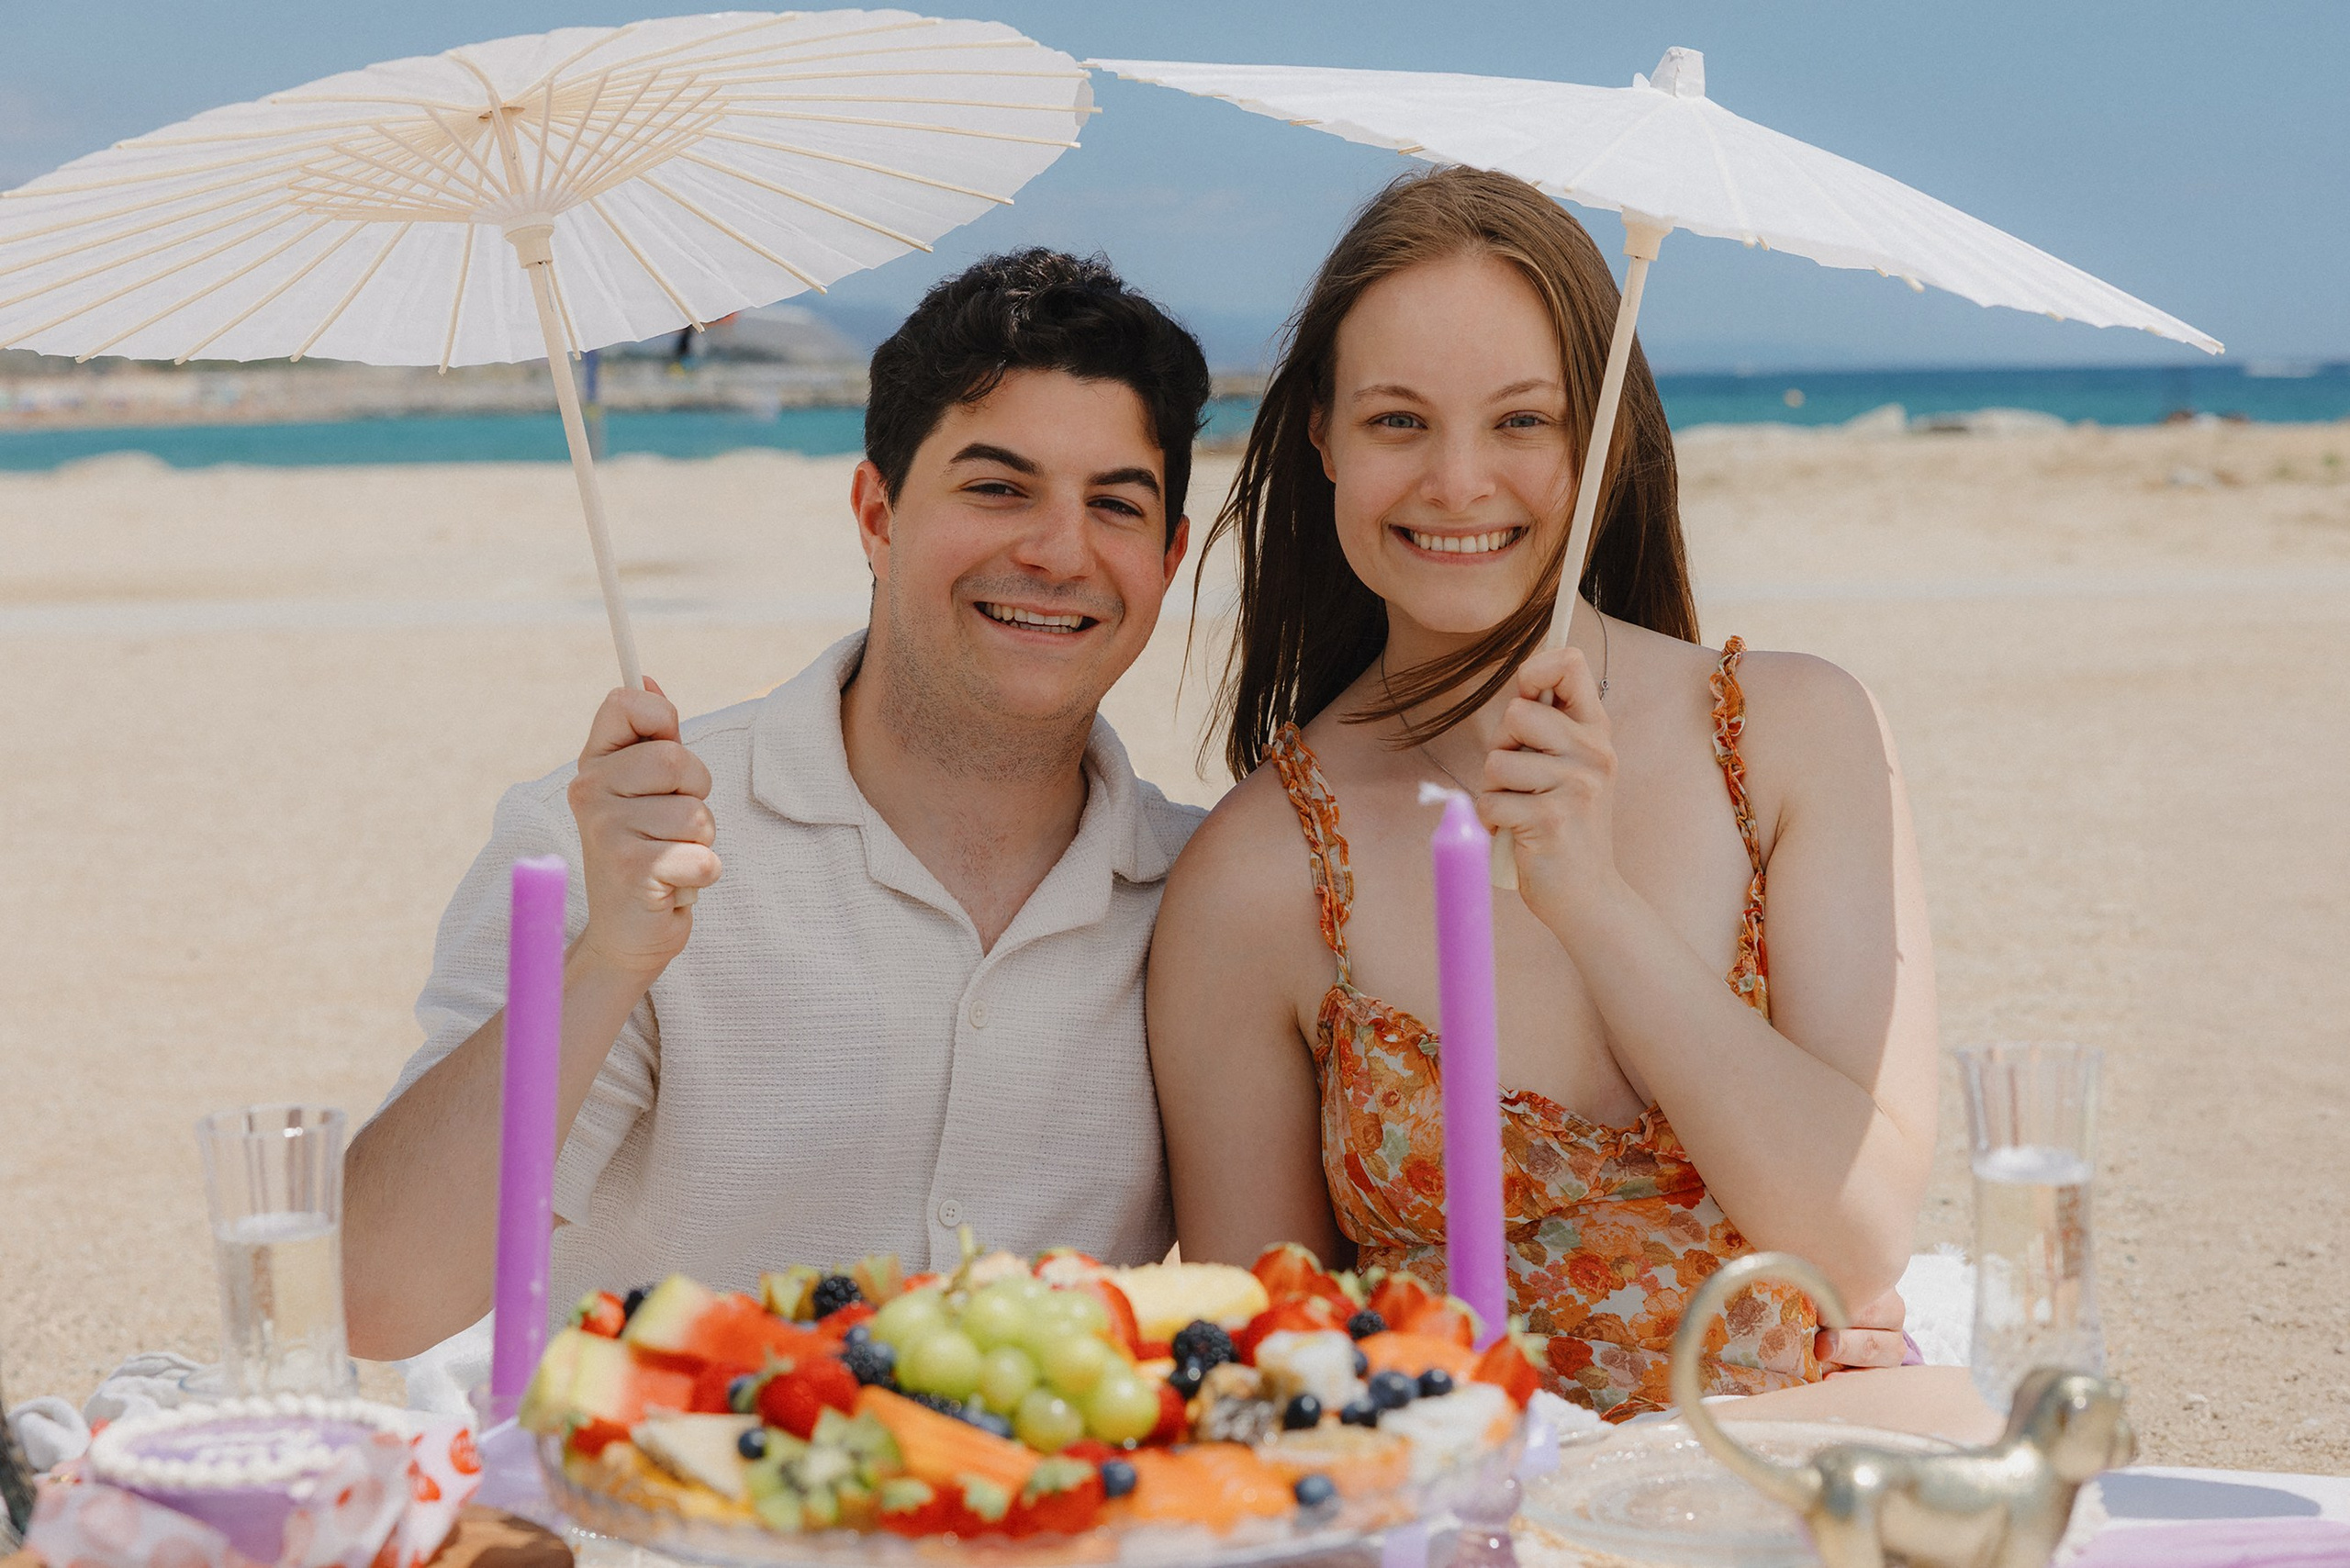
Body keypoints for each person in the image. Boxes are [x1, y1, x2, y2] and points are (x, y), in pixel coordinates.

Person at [1148, 167, 1956, 1425]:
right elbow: (1271, 1387)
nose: (1459, 483)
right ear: (1322, 436)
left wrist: (1590, 899)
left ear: (1606, 434)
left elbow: (1856, 1241)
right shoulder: (1256, 878)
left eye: (1522, 422)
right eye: (1398, 423)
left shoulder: (1799, 736)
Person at [345, 250, 1212, 1361]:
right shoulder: (618, 843)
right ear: (875, 512)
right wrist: (607, 959)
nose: (1057, 551)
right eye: (997, 487)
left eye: (1116, 506)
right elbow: (380, 1298)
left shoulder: (1200, 898)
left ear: (1170, 555)